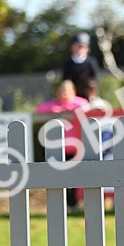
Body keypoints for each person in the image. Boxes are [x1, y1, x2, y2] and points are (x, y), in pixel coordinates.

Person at [35, 80, 91, 208]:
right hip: (56, 148)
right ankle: (63, 204)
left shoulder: (80, 103)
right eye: (61, 91)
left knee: (75, 176)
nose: (64, 94)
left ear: (73, 92)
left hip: (75, 147)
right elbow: (39, 110)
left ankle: (74, 203)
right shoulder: (53, 105)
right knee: (58, 176)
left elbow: (88, 110)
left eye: (66, 91)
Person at [62, 31, 99, 98]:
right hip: (73, 95)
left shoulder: (91, 62)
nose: (79, 48)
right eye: (77, 45)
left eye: (82, 46)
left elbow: (95, 78)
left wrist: (92, 91)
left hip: (88, 94)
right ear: (72, 47)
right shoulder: (68, 63)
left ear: (87, 48)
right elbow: (65, 80)